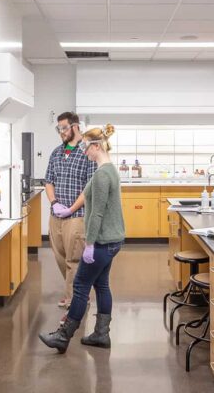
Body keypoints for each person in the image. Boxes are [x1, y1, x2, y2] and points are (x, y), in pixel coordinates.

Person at [40, 124, 125, 353]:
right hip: (113, 241)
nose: (84, 152)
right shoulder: (108, 170)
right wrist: (66, 209)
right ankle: (101, 334)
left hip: (102, 242)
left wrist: (89, 244)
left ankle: (63, 336)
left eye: (86, 147)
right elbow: (88, 191)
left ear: (96, 146)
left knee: (79, 286)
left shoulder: (102, 175)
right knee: (102, 284)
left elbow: (96, 213)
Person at [45, 112, 97, 309]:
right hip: (55, 216)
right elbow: (48, 181)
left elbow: (89, 187)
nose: (61, 132)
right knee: (60, 257)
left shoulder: (87, 152)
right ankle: (76, 293)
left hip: (76, 216)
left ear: (75, 126)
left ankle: (75, 300)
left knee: (74, 259)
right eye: (58, 129)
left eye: (64, 128)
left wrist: (71, 209)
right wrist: (54, 203)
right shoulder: (56, 153)